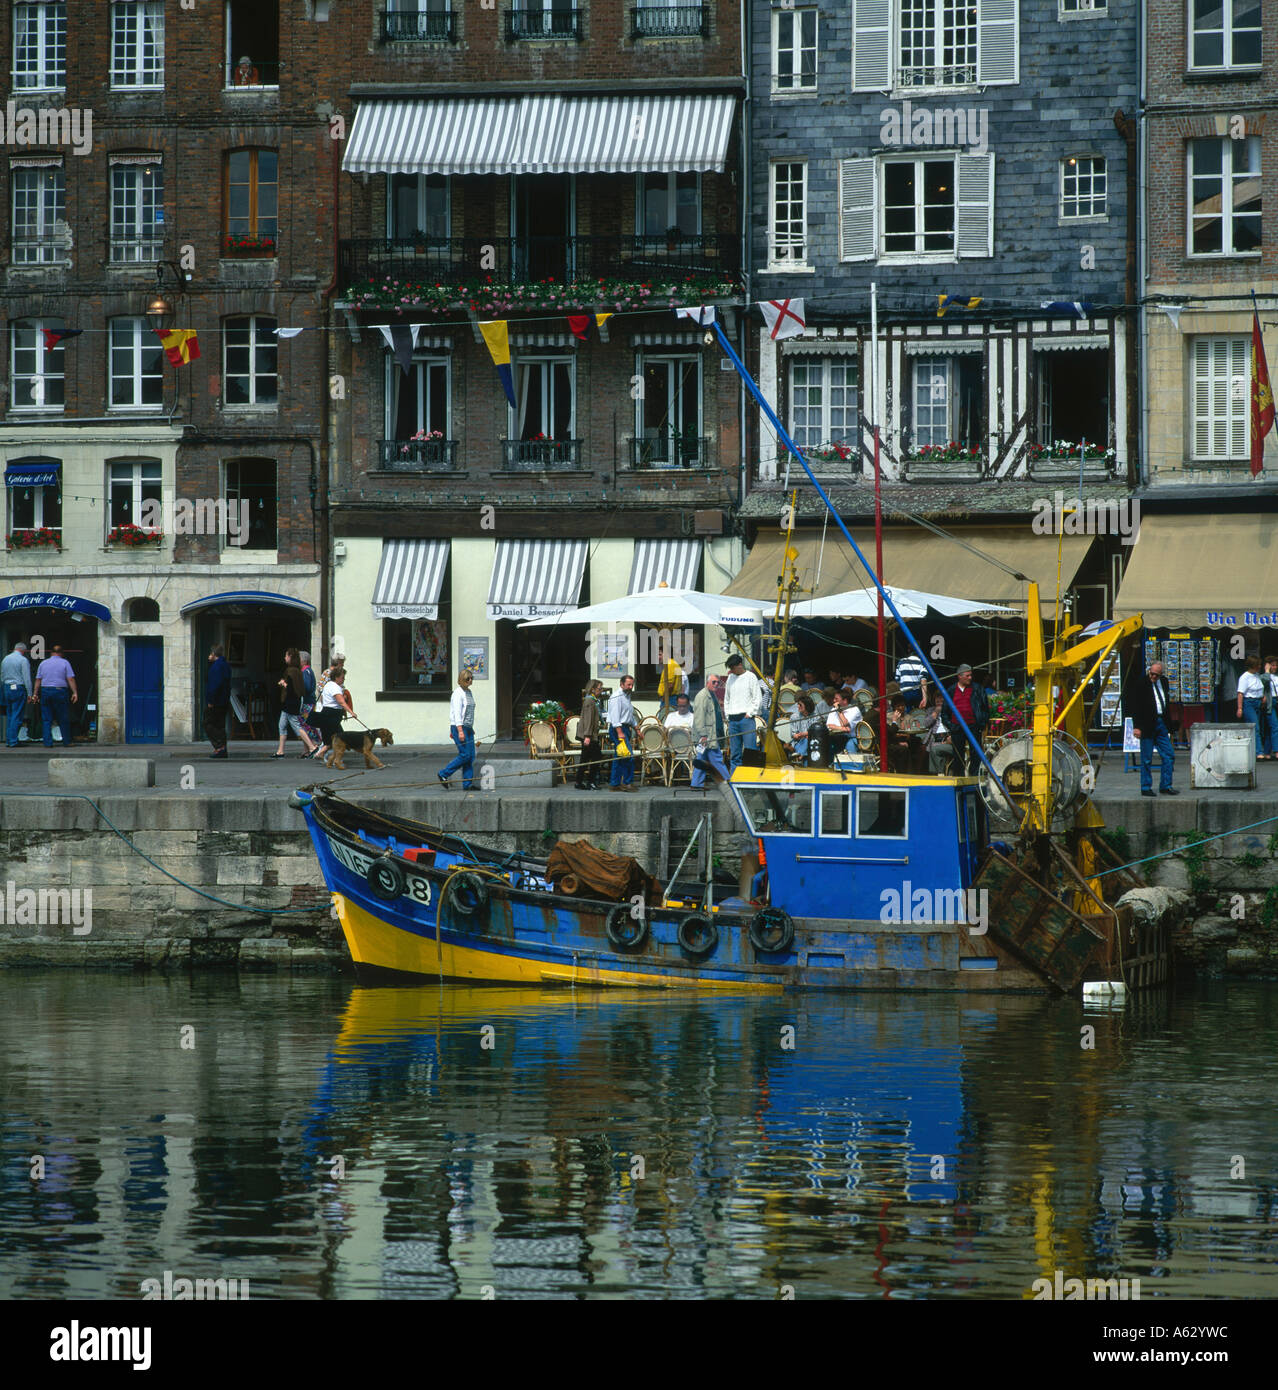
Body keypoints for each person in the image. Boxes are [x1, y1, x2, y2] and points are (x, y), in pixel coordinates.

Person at [1126, 659, 1177, 796]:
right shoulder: (1141, 683)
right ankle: (1146, 787)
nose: (1153, 677)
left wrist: (1170, 727)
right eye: (1151, 673)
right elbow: (1136, 705)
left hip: (1161, 723)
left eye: (1156, 675)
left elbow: (1165, 703)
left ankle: (1166, 785)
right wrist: (1137, 726)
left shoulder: (1164, 682)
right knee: (1146, 758)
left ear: (1161, 675)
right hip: (1147, 724)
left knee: (1168, 755)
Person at [274, 649, 319, 758]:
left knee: (298, 726)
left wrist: (284, 684)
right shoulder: (299, 671)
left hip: (293, 703)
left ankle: (312, 747)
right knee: (282, 725)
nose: (285, 658)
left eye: (286, 656)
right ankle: (280, 751)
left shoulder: (299, 671)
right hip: (290, 704)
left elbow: (298, 689)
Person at [33, 643, 78, 749]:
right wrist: (75, 692)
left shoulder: (43, 663)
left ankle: (47, 743)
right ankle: (66, 741)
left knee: (46, 718)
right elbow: (70, 679)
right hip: (60, 691)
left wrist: (35, 693)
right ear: (61, 653)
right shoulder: (65, 663)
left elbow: (38, 680)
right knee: (63, 717)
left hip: (46, 690)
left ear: (51, 653)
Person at [947, 663, 990, 775]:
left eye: (971, 675)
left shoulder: (977, 689)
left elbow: (985, 708)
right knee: (958, 757)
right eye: (967, 675)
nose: (970, 678)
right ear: (960, 676)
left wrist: (981, 723)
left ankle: (974, 781)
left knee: (975, 755)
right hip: (957, 727)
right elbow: (944, 712)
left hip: (973, 726)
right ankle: (959, 783)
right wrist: (950, 726)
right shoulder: (951, 690)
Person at [438, 669, 477, 790]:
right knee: (465, 754)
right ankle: (443, 774)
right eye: (467, 678)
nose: (470, 680)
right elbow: (457, 714)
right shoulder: (457, 693)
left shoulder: (468, 692)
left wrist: (471, 727)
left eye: (471, 678)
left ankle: (467, 784)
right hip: (459, 727)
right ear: (461, 680)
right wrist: (460, 730)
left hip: (468, 727)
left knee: (471, 756)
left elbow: (468, 712)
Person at [723, 653, 762, 767]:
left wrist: (750, 713)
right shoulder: (730, 678)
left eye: (732, 668)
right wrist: (727, 715)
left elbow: (757, 698)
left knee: (750, 751)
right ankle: (735, 778)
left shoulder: (751, 676)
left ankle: (751, 780)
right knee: (735, 753)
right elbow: (727, 698)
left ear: (740, 665)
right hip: (733, 719)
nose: (731, 670)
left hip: (746, 718)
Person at [692, 675, 730, 787]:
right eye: (713, 682)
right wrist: (703, 735)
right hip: (707, 736)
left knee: (702, 759)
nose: (716, 684)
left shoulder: (711, 694)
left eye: (718, 682)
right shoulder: (702, 696)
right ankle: (728, 782)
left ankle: (696, 784)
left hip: (711, 734)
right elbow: (699, 718)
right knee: (717, 759)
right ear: (707, 682)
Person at [607, 673, 636, 791]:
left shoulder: (627, 696)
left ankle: (614, 784)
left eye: (632, 685)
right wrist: (620, 732)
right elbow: (615, 717)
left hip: (625, 728)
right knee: (628, 756)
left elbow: (629, 716)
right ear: (621, 684)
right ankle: (627, 782)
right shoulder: (616, 697)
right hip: (618, 729)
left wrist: (636, 728)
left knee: (619, 756)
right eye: (628, 685)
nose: (631, 687)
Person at [316, 664, 353, 756]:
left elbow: (324, 699)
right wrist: (351, 712)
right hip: (332, 714)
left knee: (333, 738)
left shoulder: (328, 685)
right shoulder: (335, 687)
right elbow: (341, 702)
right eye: (342, 677)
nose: (344, 679)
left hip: (326, 712)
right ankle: (322, 754)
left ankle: (325, 755)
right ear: (336, 677)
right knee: (340, 738)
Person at [2, 641, 33, 747]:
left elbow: (2, 675)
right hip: (18, 688)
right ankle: (14, 741)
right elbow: (27, 678)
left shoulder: (5, 659)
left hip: (7, 688)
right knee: (17, 715)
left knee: (10, 715)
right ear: (23, 650)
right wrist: (30, 693)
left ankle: (9, 740)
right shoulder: (23, 660)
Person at [575, 679, 603, 790]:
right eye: (599, 689)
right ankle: (590, 781)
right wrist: (587, 736)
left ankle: (579, 781)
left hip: (590, 735)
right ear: (593, 689)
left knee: (585, 758)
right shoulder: (589, 701)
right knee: (596, 757)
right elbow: (588, 719)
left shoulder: (593, 701)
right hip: (589, 736)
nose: (601, 691)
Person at [203, 644, 231, 758]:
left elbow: (214, 685)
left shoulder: (217, 667)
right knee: (220, 725)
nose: (209, 656)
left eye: (210, 654)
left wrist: (211, 700)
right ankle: (222, 749)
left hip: (216, 701)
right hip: (224, 700)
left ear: (214, 654)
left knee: (208, 723)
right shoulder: (225, 665)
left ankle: (220, 747)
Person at [1237, 656, 1267, 759]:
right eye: (1257, 665)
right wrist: (1240, 708)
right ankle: (1259, 752)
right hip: (1249, 703)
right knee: (1255, 727)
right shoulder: (1245, 677)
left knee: (1258, 727)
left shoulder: (1257, 675)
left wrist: (1262, 697)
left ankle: (1254, 750)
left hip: (1258, 702)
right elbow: (1240, 693)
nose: (1259, 666)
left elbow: (1259, 688)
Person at [788, 692, 819, 760]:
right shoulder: (794, 717)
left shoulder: (816, 716)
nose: (798, 706)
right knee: (806, 739)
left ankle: (799, 756)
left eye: (800, 705)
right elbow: (793, 734)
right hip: (798, 742)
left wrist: (805, 734)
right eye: (798, 704)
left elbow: (816, 732)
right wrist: (800, 735)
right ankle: (800, 755)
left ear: (807, 706)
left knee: (808, 739)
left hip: (812, 741)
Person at [1260, 656, 1278, 760]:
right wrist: (1267, 670)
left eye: (1276, 665)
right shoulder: (1263, 676)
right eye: (1272, 665)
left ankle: (1266, 752)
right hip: (1270, 704)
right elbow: (1265, 680)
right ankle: (1276, 751)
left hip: (1277, 701)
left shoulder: (1277, 676)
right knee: (1275, 726)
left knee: (1270, 728)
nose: (1275, 667)